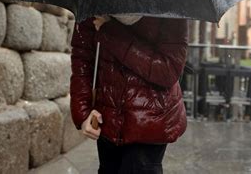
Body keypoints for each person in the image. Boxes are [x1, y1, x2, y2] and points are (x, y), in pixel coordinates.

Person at [70, 15, 188, 173]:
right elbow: (82, 57)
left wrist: (111, 33)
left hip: (150, 121)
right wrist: (82, 111)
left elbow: (168, 70)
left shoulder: (170, 4)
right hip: (107, 117)